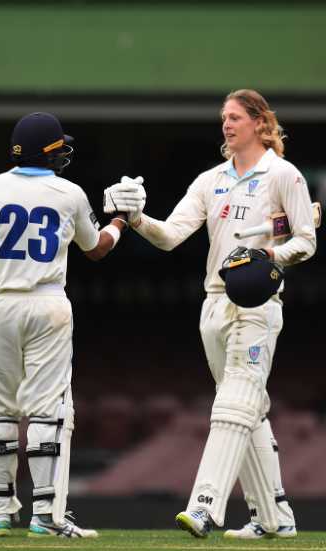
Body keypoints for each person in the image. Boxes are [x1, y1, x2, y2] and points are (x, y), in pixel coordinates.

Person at [103, 89, 316, 538]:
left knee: (234, 403)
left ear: (260, 123)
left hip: (258, 303)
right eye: (224, 117)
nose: (226, 124)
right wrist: (137, 217)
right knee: (247, 410)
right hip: (214, 304)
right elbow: (171, 236)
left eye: (235, 117)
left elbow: (306, 240)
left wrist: (270, 260)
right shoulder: (209, 180)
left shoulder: (284, 175)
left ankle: (204, 506)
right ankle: (274, 519)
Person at [0, 112, 144, 538]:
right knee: (46, 411)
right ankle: (45, 515)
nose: (64, 151)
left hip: (0, 303)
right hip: (48, 305)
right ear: (49, 151)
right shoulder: (70, 192)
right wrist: (118, 220)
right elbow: (96, 250)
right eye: (59, 146)